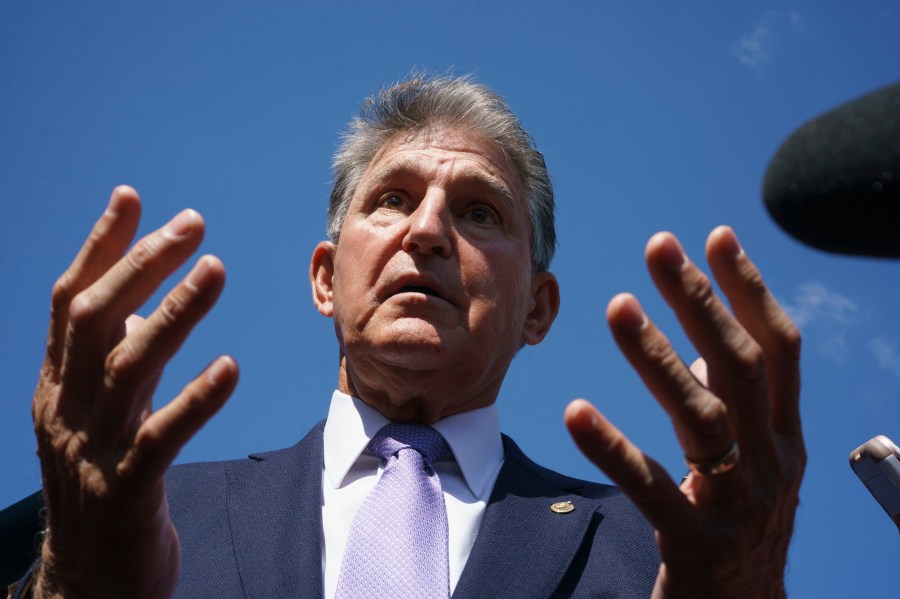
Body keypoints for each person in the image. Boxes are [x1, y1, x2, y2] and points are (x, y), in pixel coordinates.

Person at [10, 75, 805, 598]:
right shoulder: (139, 511)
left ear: (538, 307)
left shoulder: (659, 546)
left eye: (478, 212)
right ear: (326, 277)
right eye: (390, 198)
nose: (426, 230)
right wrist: (72, 579)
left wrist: (754, 580)